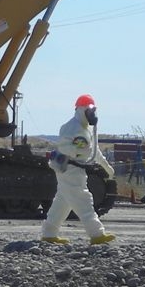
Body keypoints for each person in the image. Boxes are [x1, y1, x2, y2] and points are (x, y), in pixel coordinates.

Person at [41, 94, 116, 245]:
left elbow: (94, 151)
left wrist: (107, 167)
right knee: (83, 200)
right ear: (82, 110)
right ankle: (97, 234)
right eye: (90, 110)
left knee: (62, 202)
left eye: (94, 111)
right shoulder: (71, 127)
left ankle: (49, 233)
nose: (93, 114)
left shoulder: (85, 129)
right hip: (70, 169)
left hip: (75, 169)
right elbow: (64, 147)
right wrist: (79, 151)